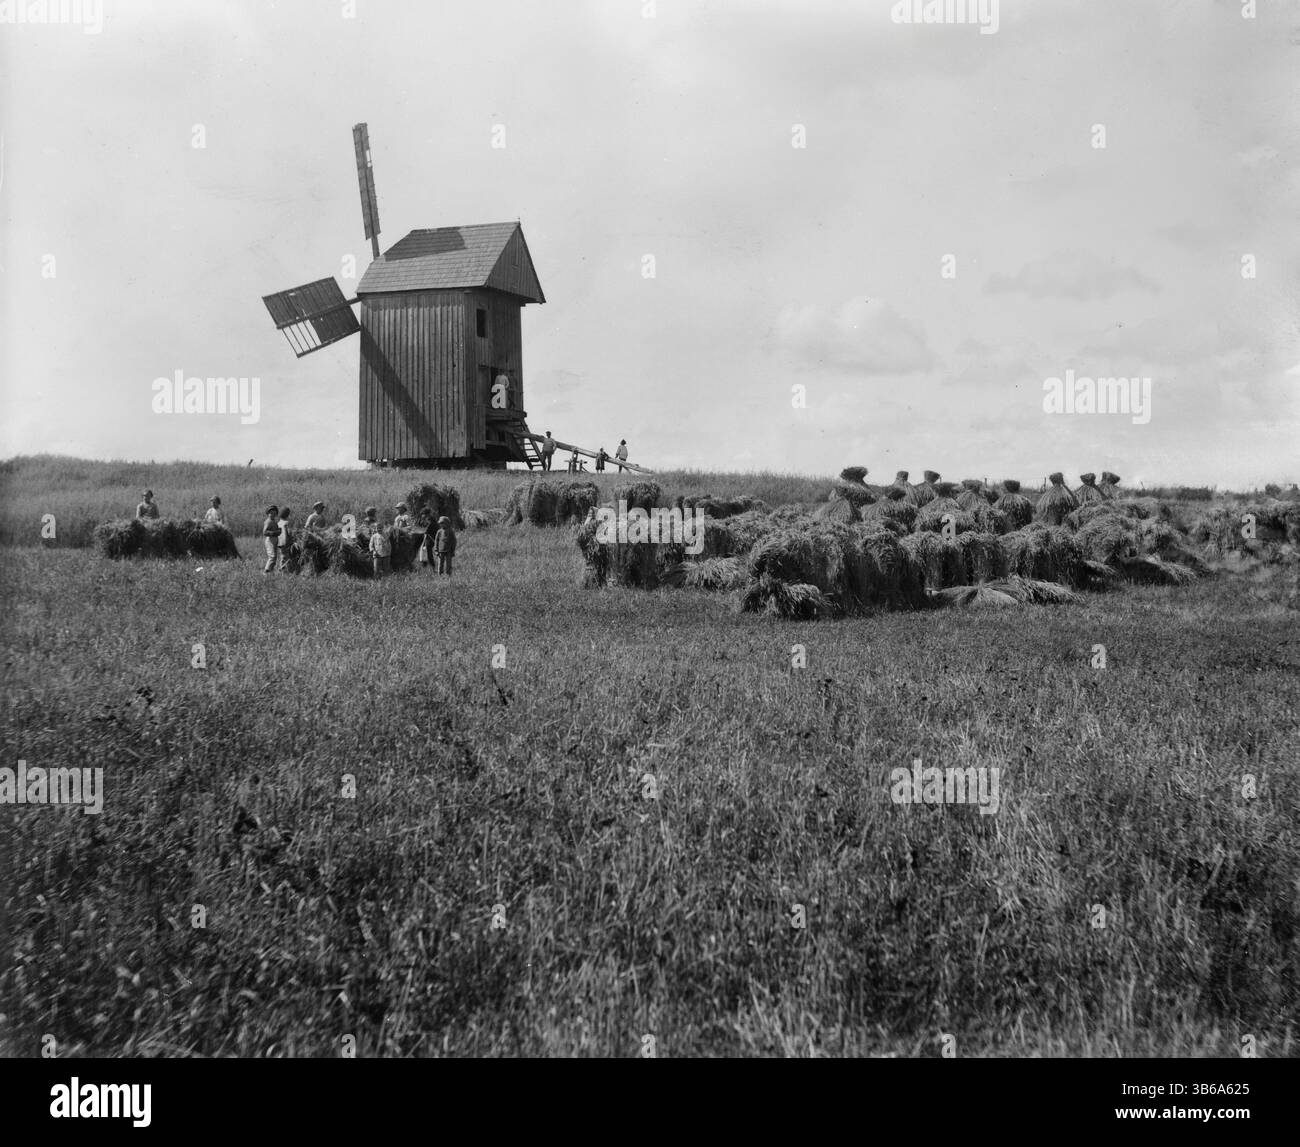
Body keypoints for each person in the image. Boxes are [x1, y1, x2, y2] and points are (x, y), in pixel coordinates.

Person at [262, 506, 280, 574]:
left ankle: (271, 571)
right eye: (271, 513)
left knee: (274, 557)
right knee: (272, 556)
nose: (273, 514)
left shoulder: (273, 521)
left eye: (274, 513)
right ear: (268, 513)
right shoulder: (268, 521)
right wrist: (275, 532)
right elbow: (265, 532)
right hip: (270, 540)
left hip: (274, 540)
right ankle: (266, 572)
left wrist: (278, 531)